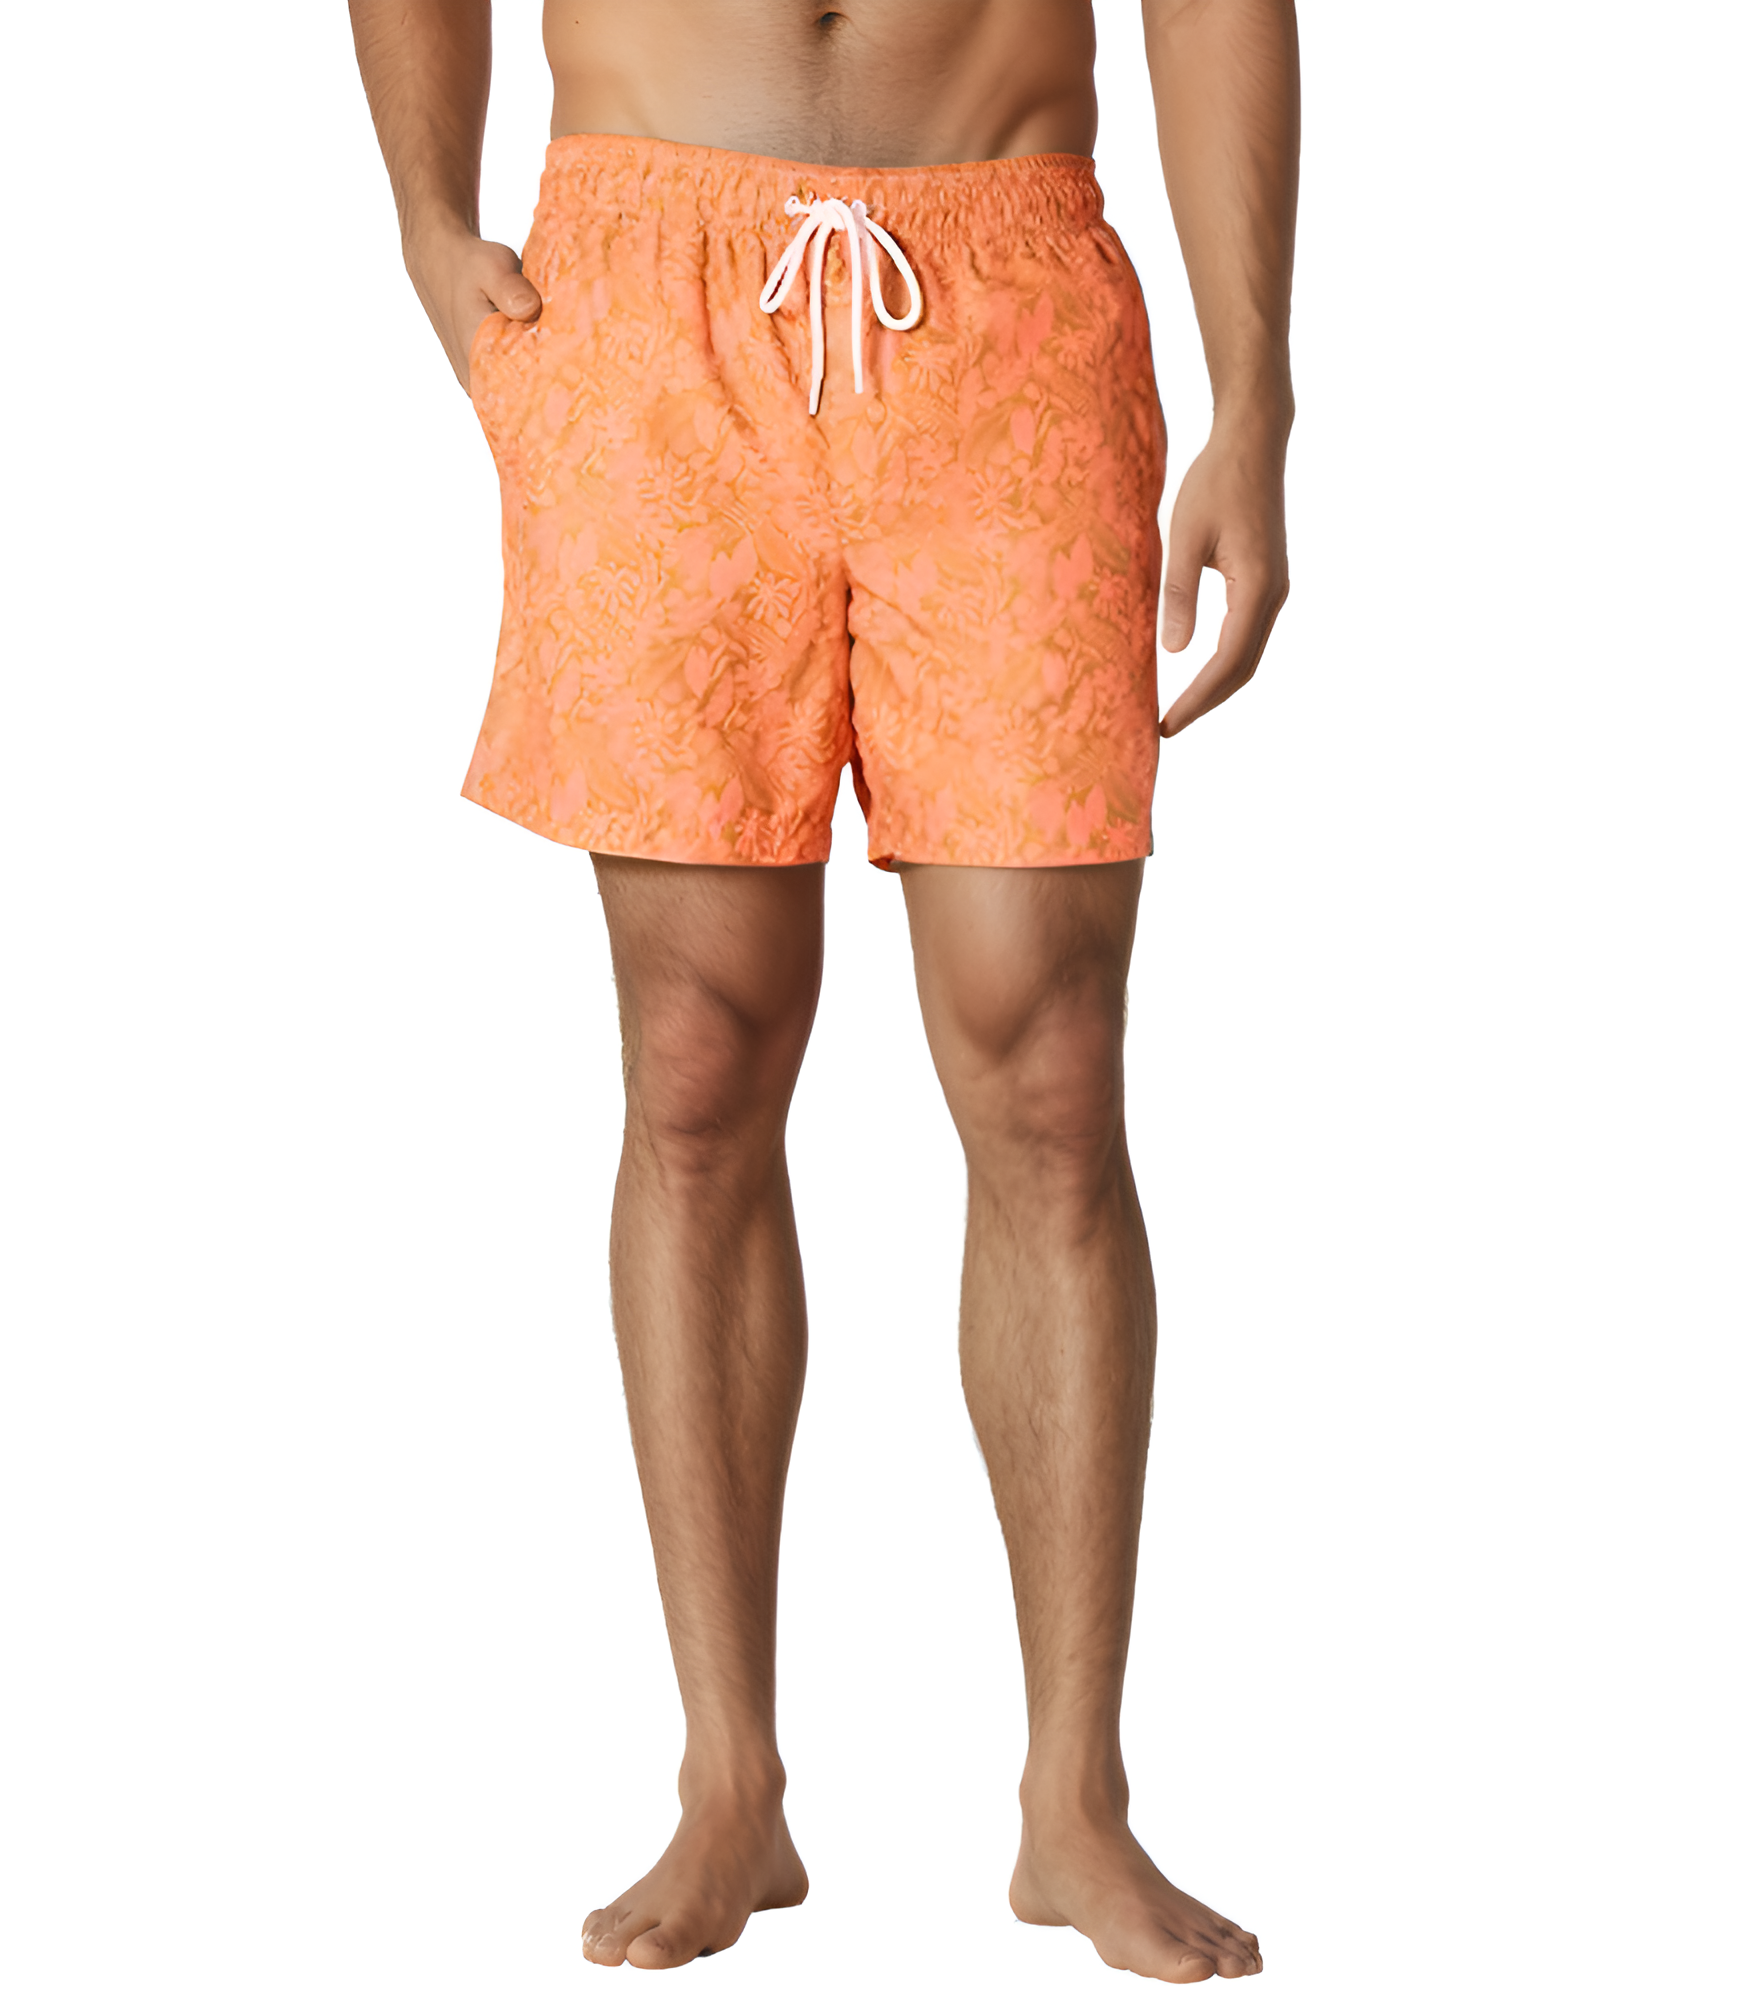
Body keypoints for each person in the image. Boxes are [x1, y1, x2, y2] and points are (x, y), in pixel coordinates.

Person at [349, 0, 1296, 1979]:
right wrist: (428, 220)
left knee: (1051, 1058)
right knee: (694, 1049)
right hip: (645, 296)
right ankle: (729, 1780)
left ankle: (1073, 1801)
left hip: (1011, 286)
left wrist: (1255, 391)